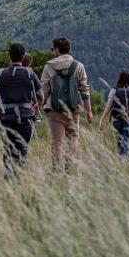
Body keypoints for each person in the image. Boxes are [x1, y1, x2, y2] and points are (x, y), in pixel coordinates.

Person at [41, 36, 92, 170]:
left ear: (57, 49)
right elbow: (84, 90)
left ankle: (56, 170)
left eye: (53, 49)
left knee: (57, 143)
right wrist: (89, 111)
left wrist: (39, 104)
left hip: (55, 109)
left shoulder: (49, 66)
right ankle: (70, 168)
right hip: (73, 109)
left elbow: (44, 90)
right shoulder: (78, 66)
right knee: (73, 139)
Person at [0, 43, 43, 176]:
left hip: (6, 118)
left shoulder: (0, 73)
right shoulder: (30, 73)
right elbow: (40, 96)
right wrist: (34, 105)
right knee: (21, 148)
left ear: (9, 56)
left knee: (8, 148)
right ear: (23, 56)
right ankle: (16, 175)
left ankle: (9, 175)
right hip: (25, 117)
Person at [99, 69, 129, 158]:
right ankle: (123, 160)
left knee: (119, 142)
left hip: (117, 120)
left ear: (119, 78)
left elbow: (108, 106)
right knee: (126, 140)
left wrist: (102, 119)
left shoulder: (114, 90)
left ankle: (123, 160)